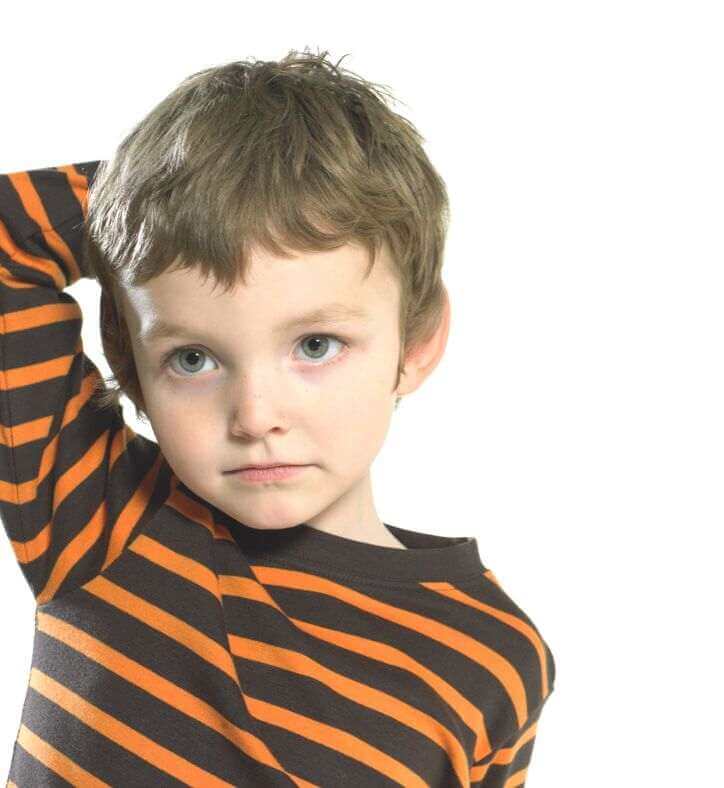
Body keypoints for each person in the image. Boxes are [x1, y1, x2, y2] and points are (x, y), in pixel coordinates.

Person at [0, 47, 555, 786]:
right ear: (130, 363)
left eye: (316, 345)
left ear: (416, 343)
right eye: (194, 359)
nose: (256, 416)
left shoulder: (492, 655)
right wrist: (174, 194)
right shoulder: (100, 515)